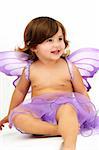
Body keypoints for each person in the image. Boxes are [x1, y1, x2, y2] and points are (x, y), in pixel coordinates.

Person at [0, 16, 99, 150]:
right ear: (34, 46)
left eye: (60, 39)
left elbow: (81, 91)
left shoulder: (69, 67)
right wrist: (11, 113)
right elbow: (20, 91)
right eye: (49, 40)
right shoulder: (30, 69)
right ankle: (58, 130)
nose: (57, 44)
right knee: (19, 118)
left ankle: (69, 145)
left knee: (68, 110)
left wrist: (88, 112)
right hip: (38, 111)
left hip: (64, 109)